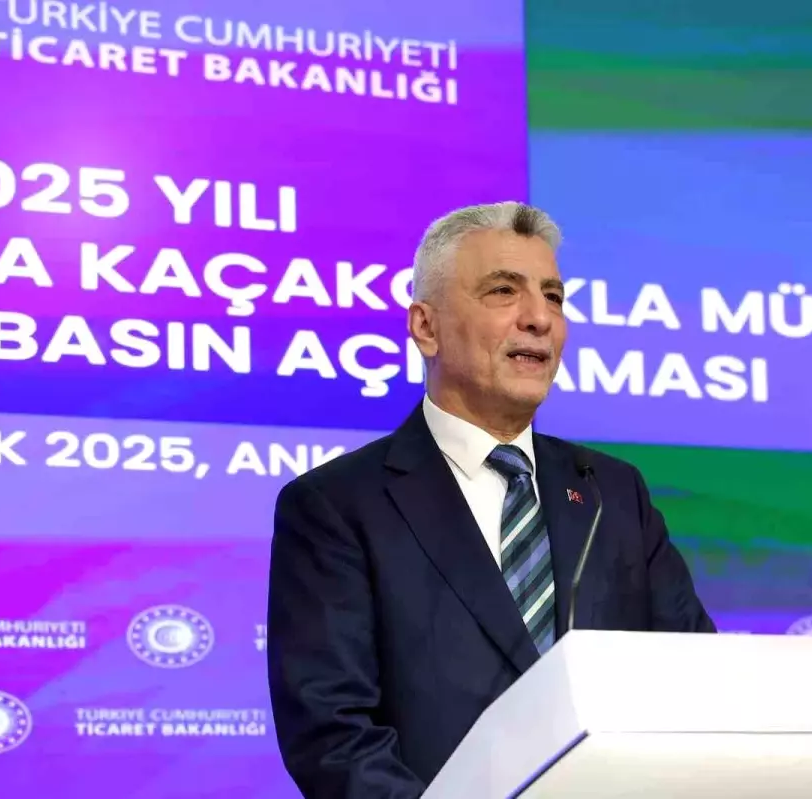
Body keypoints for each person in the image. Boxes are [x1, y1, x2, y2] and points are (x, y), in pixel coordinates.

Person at [267, 201, 716, 798]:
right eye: (504, 291)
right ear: (426, 327)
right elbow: (334, 738)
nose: (539, 318)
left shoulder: (612, 491)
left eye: (553, 297)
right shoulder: (336, 506)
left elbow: (695, 681)